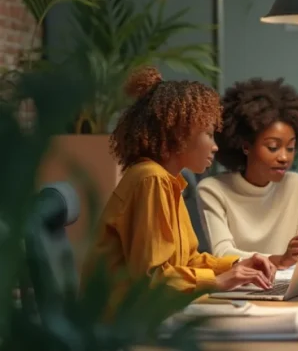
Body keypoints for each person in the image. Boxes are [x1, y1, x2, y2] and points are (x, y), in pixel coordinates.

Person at [82, 67, 276, 306]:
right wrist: (217, 281)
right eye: (208, 134)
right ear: (178, 135)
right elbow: (151, 278)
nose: (215, 146)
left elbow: (186, 260)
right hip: (123, 327)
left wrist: (235, 266)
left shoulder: (168, 181)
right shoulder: (151, 180)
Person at [198, 78, 298, 270]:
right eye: (273, 147)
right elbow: (223, 254)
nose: (284, 157)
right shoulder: (213, 190)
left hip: (290, 284)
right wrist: (278, 260)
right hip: (241, 288)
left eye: (291, 147)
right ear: (246, 146)